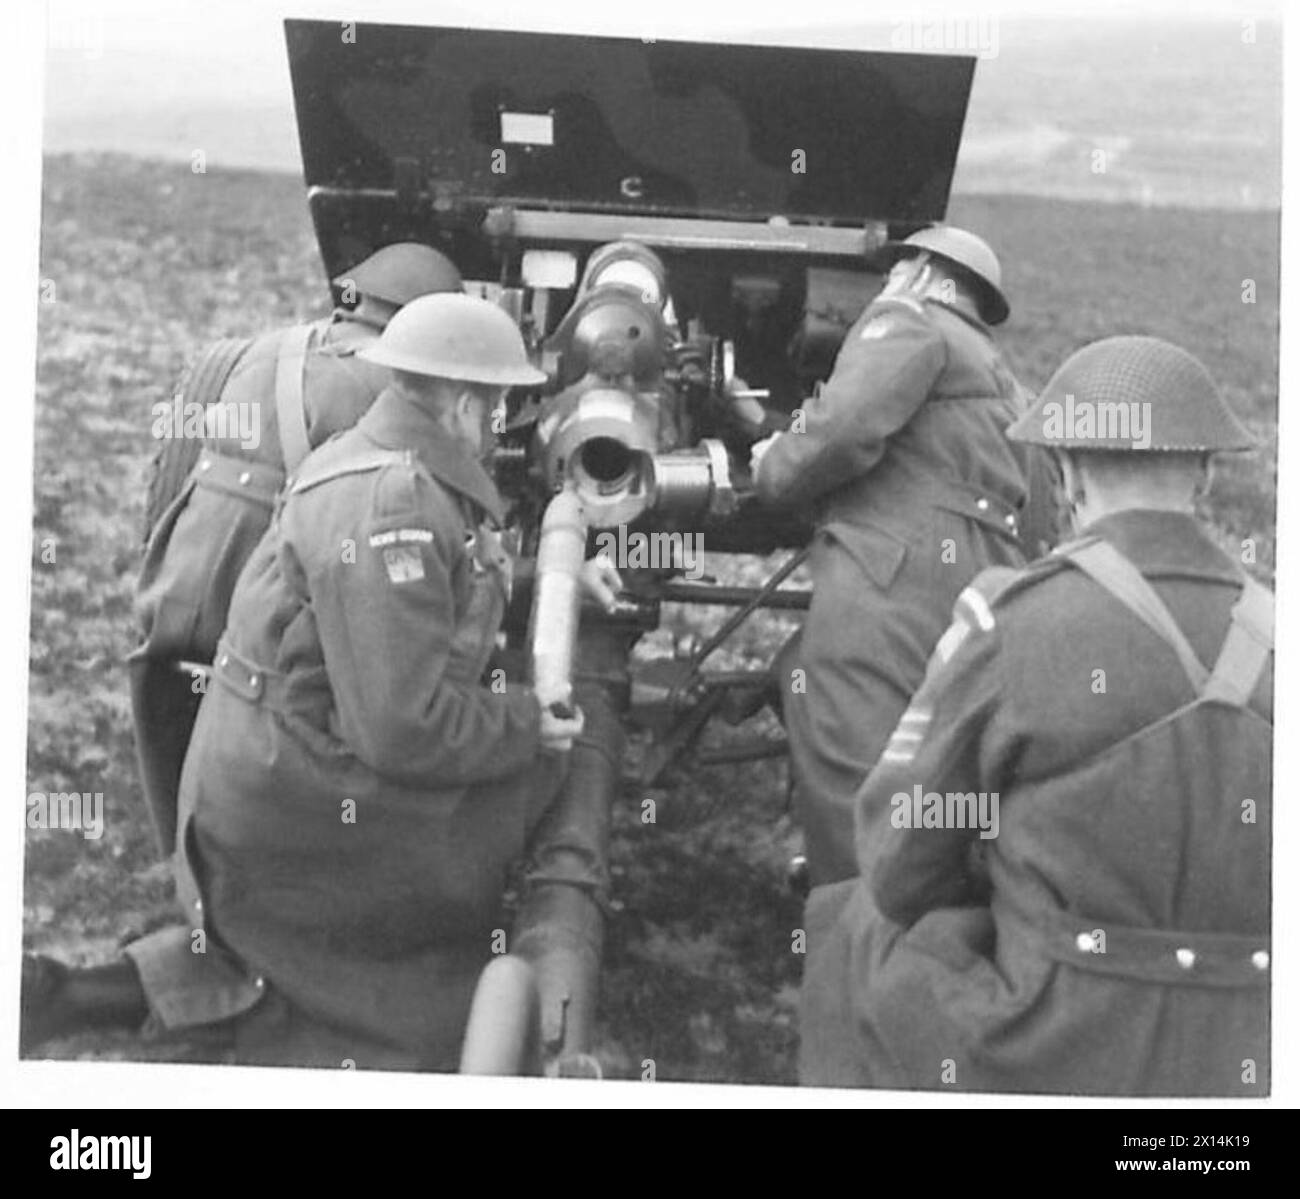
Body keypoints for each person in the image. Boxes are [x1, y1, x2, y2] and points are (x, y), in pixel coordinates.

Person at [23, 293, 623, 1071]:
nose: (501, 423)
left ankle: (91, 991)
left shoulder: (384, 460)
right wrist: (525, 723)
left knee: (280, 968)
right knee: (450, 955)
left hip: (279, 767)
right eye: (499, 403)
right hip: (292, 803)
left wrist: (554, 581)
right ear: (466, 405)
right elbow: (403, 730)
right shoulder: (391, 501)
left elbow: (431, 591)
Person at [799, 335, 1270, 1095]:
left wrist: (994, 832)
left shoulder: (1014, 620)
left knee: (849, 922)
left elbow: (898, 862)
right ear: (1207, 474)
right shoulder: (1282, 633)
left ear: (1066, 473)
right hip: (1258, 1048)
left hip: (1051, 1037)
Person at [131, 242, 464, 854]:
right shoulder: (397, 395)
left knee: (187, 822)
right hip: (259, 645)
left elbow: (169, 482)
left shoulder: (241, 354)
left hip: (170, 619)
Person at [753, 225, 1055, 886]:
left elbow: (842, 430)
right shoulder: (1008, 384)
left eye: (895, 272)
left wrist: (770, 467)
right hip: (979, 598)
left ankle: (857, 937)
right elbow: (1041, 522)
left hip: (887, 586)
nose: (883, 287)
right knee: (942, 775)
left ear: (926, 273)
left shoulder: (910, 319)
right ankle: (939, 936)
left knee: (855, 776)